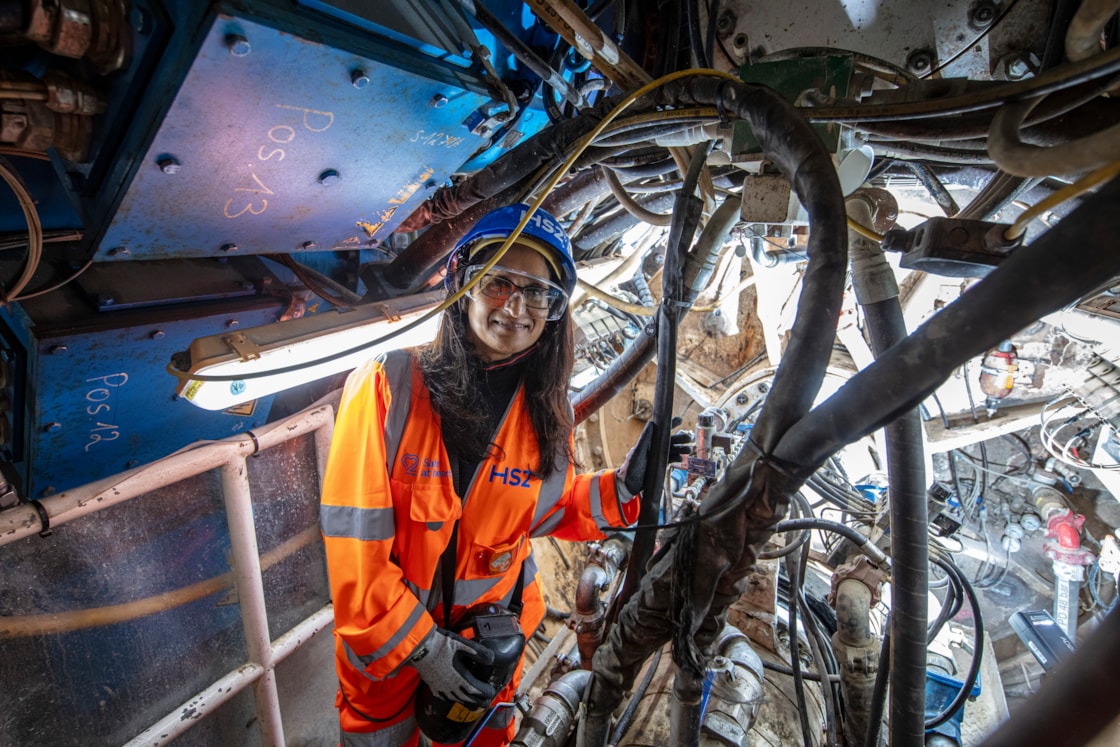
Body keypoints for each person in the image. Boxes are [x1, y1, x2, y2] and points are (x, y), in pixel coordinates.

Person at [319, 203, 659, 747]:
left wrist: (620, 490)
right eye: (499, 281)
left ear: (554, 310)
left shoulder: (546, 408)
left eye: (538, 293)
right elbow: (354, 552)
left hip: (489, 653)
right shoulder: (390, 384)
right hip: (391, 659)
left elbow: (545, 508)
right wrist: (425, 648)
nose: (516, 307)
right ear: (463, 281)